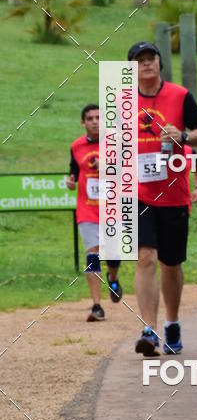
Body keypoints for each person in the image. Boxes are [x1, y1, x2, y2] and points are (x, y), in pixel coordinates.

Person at [129, 42, 197, 356]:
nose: (147, 64)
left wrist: (184, 136)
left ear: (160, 64)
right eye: (140, 61)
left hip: (174, 193)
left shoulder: (179, 96)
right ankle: (148, 330)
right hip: (137, 192)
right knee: (145, 257)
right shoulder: (122, 101)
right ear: (132, 68)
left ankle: (172, 322)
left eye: (151, 59)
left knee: (171, 264)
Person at [66, 103, 122, 321]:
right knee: (93, 253)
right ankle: (97, 306)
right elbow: (74, 169)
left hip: (113, 208)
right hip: (87, 209)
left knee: (113, 254)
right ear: (83, 122)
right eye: (90, 118)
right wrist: (71, 180)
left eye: (98, 117)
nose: (94, 121)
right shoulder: (76, 146)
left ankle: (113, 277)